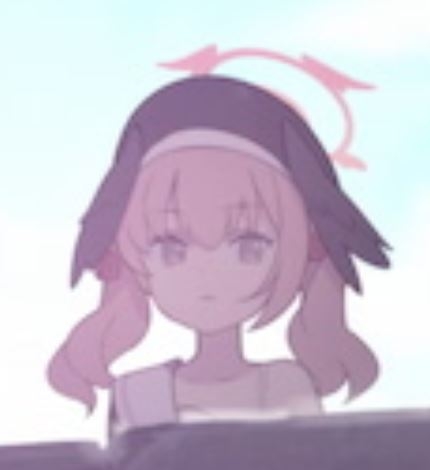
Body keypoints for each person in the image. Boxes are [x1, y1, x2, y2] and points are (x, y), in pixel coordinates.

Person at [47, 46, 391, 437]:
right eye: (172, 249)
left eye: (248, 247)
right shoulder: (136, 395)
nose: (207, 273)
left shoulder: (285, 387)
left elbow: (307, 461)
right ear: (132, 256)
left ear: (297, 251)